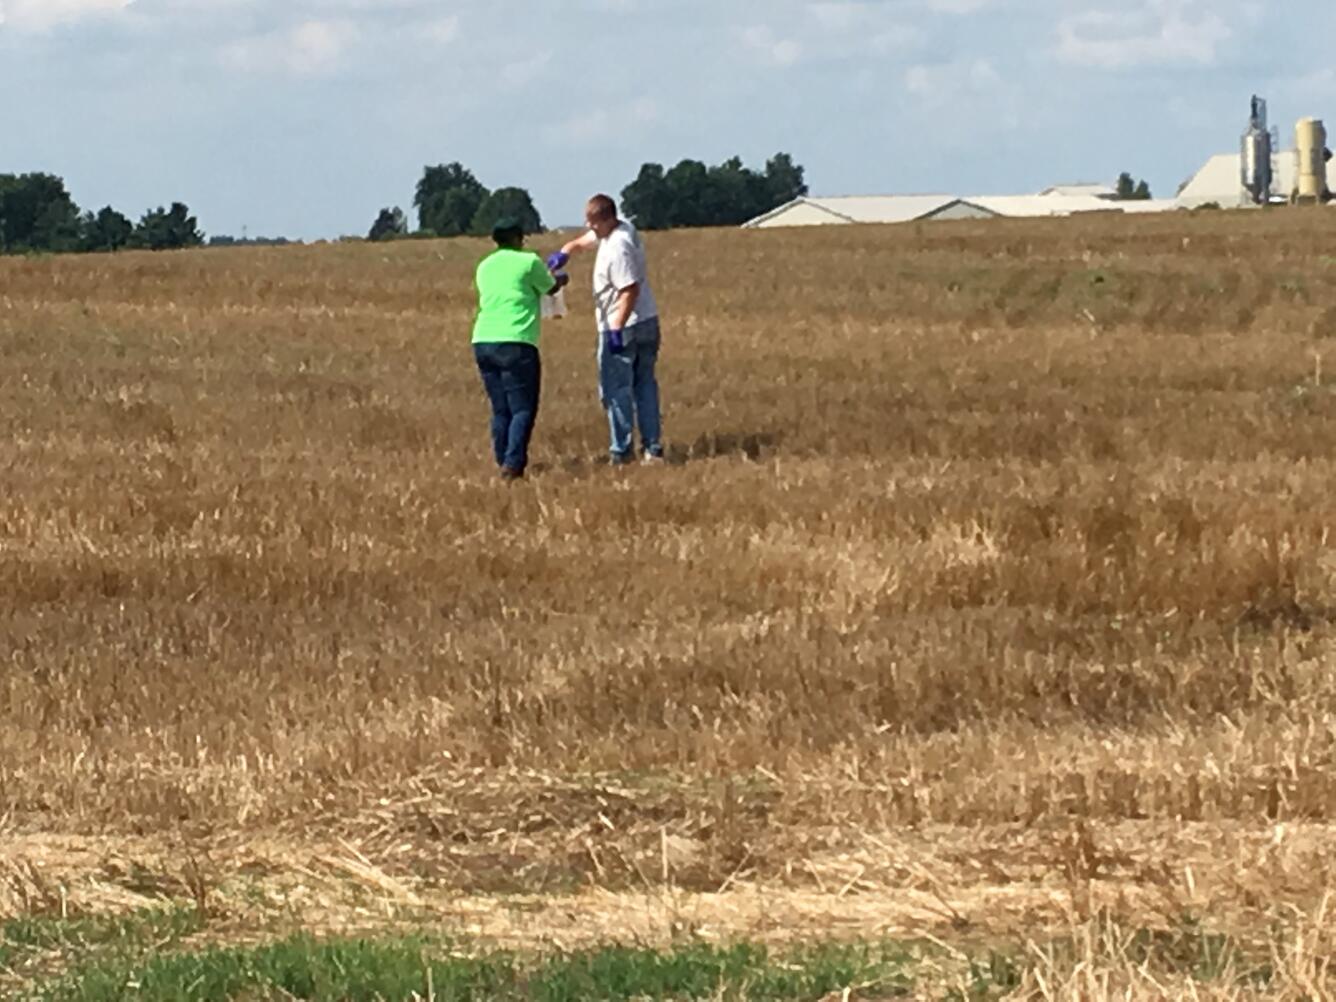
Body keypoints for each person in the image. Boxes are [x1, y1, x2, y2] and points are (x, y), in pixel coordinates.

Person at [551, 195, 663, 466]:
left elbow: (630, 290)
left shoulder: (619, 247)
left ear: (608, 220)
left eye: (594, 223)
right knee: (644, 384)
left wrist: (615, 329)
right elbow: (585, 240)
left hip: (626, 325)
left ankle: (622, 450)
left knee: (616, 389)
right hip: (647, 320)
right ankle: (652, 446)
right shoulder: (619, 229)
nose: (591, 228)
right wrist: (565, 252)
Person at [472, 217, 568, 480]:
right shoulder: (529, 261)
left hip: (483, 339)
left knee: (500, 408)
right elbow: (550, 287)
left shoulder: (484, 266)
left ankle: (502, 458)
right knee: (523, 408)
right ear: (517, 238)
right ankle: (513, 465)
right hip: (517, 340)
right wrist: (561, 278)